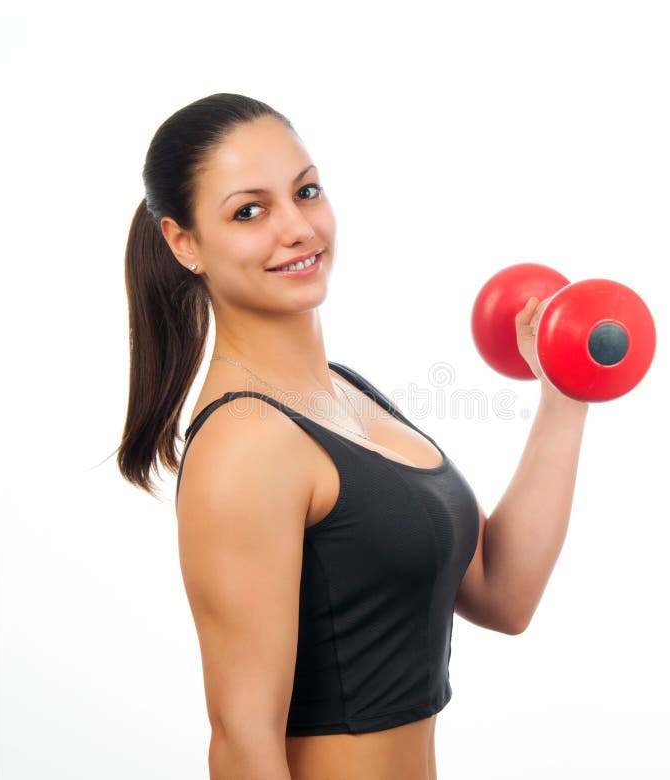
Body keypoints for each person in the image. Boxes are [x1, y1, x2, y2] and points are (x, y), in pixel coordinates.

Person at [116, 93, 590, 779]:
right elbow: (242, 741)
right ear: (183, 243)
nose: (297, 228)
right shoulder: (246, 445)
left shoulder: (345, 392)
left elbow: (501, 591)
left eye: (305, 192)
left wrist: (564, 393)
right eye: (249, 210)